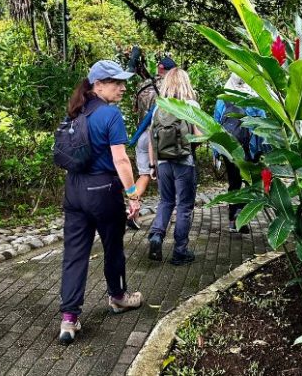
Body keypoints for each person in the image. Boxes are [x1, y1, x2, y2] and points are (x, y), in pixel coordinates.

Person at [59, 60, 144, 344]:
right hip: (103, 190)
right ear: (97, 85)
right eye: (115, 82)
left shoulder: (75, 111)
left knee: (74, 254)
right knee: (113, 248)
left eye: (122, 82)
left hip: (73, 190)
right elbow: (120, 159)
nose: (122, 87)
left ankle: (69, 319)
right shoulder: (110, 114)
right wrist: (132, 193)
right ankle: (118, 297)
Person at [147, 68, 201, 265]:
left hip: (162, 164)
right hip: (184, 163)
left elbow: (151, 138)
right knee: (184, 207)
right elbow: (199, 133)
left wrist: (152, 165)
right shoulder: (190, 105)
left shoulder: (159, 107)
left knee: (165, 201)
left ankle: (156, 235)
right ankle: (180, 252)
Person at [127, 56, 177, 229]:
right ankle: (167, 216)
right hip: (159, 137)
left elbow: (135, 109)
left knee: (144, 175)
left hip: (141, 134)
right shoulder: (169, 87)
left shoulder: (142, 86)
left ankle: (132, 210)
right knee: (167, 175)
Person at [213, 74, 266, 233]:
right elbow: (263, 124)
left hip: (230, 149)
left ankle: (233, 218)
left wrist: (216, 152)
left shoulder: (223, 99)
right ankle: (242, 215)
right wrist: (265, 149)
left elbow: (215, 126)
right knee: (251, 183)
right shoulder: (253, 97)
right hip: (250, 148)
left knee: (234, 183)